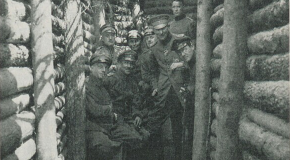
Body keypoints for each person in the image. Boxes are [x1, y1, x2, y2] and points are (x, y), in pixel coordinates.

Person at [85, 48, 144, 160]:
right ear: (91, 67)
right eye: (100, 67)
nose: (103, 70)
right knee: (116, 145)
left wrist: (137, 114)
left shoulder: (102, 84)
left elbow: (135, 100)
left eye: (105, 67)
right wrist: (110, 110)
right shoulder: (94, 84)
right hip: (98, 127)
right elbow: (94, 109)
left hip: (112, 123)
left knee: (137, 138)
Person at [146, 14, 188, 160]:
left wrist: (180, 64)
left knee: (179, 128)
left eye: (163, 29)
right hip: (163, 93)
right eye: (157, 30)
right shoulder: (154, 48)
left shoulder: (180, 40)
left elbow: (192, 61)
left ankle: (179, 156)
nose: (161, 33)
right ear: (154, 31)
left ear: (168, 27)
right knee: (154, 126)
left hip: (179, 91)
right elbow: (152, 72)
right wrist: (155, 86)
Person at [104, 50, 150, 160]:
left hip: (128, 118)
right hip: (114, 121)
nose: (129, 66)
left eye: (131, 63)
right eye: (126, 62)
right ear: (119, 63)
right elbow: (104, 101)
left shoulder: (133, 82)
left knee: (146, 135)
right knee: (134, 138)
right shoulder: (110, 80)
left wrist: (137, 115)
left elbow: (136, 101)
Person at [171, 36, 196, 160]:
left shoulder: (198, 63)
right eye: (180, 52)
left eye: (185, 48)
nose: (183, 53)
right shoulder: (189, 64)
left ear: (192, 45)